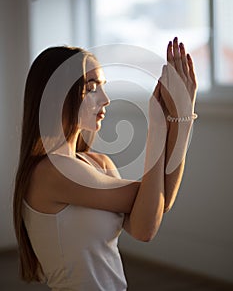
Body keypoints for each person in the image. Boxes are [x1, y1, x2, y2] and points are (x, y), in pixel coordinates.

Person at [13, 37, 197, 290]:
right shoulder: (50, 172)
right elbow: (152, 210)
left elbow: (148, 219)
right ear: (58, 96)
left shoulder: (98, 163)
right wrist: (157, 125)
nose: (105, 99)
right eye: (91, 88)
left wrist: (182, 116)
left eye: (103, 86)